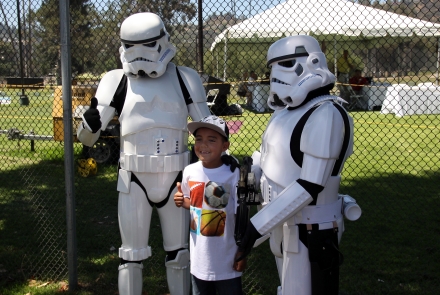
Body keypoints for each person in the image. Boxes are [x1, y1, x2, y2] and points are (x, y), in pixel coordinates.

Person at [76, 12, 211, 295]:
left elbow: (207, 130)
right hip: (134, 179)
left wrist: (216, 167)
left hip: (176, 177)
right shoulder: (115, 81)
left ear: (162, 41)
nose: (140, 55)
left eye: (147, 45)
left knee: (179, 255)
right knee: (130, 257)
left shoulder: (185, 78)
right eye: (131, 46)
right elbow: (87, 137)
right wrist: (89, 123)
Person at [236, 35, 361, 295]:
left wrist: (256, 226)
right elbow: (262, 159)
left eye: (286, 64)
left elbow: (310, 185)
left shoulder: (327, 114)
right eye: (273, 67)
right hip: (280, 223)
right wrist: (246, 196)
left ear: (313, 62)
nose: (276, 74)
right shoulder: (284, 113)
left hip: (311, 228)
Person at [174, 115, 246, 295]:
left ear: (225, 146)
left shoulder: (233, 173)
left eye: (211, 140)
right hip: (199, 262)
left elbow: (242, 216)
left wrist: (243, 251)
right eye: (199, 139)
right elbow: (196, 205)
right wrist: (183, 201)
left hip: (227, 261)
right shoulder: (190, 171)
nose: (203, 145)